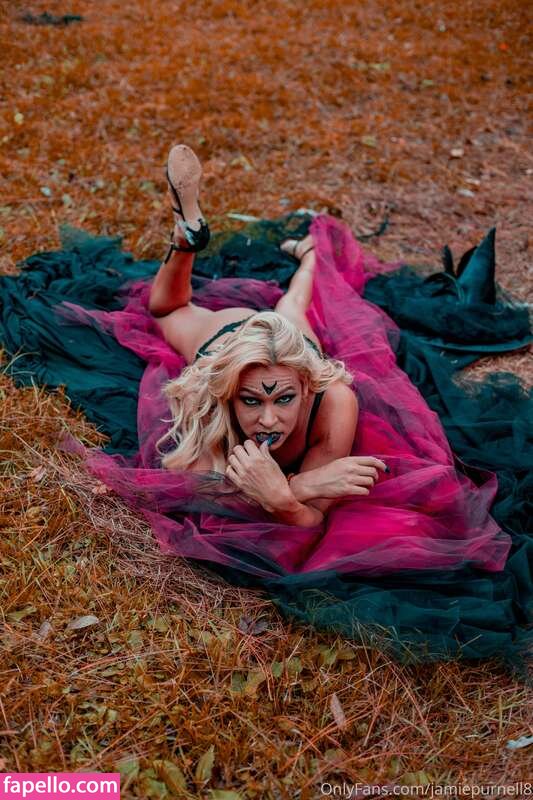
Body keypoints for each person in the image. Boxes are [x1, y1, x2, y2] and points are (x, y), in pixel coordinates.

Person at [148, 145, 388, 527]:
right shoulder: (208, 396)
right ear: (229, 392)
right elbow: (193, 489)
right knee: (166, 310)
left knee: (294, 304)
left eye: (285, 398)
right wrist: (303, 485)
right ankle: (185, 238)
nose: (269, 420)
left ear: (306, 387)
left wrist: (284, 496)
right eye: (250, 400)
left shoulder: (334, 402)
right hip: (225, 337)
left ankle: (310, 256)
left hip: (292, 345)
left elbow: (311, 521)